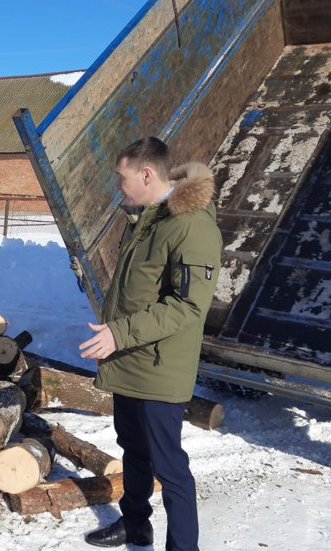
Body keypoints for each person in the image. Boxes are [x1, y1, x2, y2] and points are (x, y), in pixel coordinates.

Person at [79, 137, 221, 551]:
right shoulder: (147, 219)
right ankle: (136, 524)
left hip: (160, 368)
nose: (117, 187)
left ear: (146, 174)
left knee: (170, 466)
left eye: (121, 178)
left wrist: (119, 333)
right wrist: (116, 338)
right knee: (133, 450)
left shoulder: (192, 226)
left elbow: (188, 306)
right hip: (130, 360)